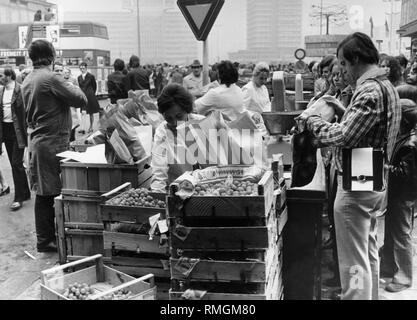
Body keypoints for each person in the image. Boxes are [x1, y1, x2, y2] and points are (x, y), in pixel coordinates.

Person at [298, 32, 402, 300]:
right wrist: (342, 111)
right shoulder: (384, 85)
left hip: (358, 180)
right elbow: (367, 131)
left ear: (356, 59)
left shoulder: (367, 90)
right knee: (366, 252)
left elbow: (343, 136)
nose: (341, 71)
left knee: (353, 261)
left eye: (343, 64)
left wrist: (311, 120)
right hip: (370, 172)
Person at [21, 40, 87, 253]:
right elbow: (80, 99)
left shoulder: (28, 79)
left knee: (43, 192)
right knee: (52, 193)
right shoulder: (51, 78)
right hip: (53, 142)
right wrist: (71, 82)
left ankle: (46, 238)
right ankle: (47, 240)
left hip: (38, 141)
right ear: (52, 56)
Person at [380, 98, 417, 293]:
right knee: (392, 231)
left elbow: (405, 175)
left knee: (402, 234)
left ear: (402, 121)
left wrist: (385, 167)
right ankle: (388, 266)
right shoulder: (403, 138)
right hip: (397, 196)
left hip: (403, 197)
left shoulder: (409, 144)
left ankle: (404, 277)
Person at [151, 84, 205, 193]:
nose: (174, 123)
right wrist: (158, 198)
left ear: (187, 110)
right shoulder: (162, 134)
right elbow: (159, 174)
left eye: (179, 116)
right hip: (179, 194)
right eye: (168, 118)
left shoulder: (202, 124)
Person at [0, 68, 30, 211]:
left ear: (9, 76)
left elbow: (27, 111)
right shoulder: (1, 91)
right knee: (15, 164)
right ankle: (26, 192)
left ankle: (18, 197)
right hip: (6, 131)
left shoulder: (20, 90)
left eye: (1, 76)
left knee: (17, 162)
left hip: (17, 130)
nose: (0, 78)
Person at [78, 62, 101, 133]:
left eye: (83, 68)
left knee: (91, 113)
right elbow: (80, 86)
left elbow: (94, 86)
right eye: (81, 68)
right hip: (83, 96)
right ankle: (83, 128)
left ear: (86, 68)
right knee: (83, 113)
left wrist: (92, 93)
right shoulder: (79, 77)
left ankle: (91, 127)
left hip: (90, 96)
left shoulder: (91, 76)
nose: (82, 70)